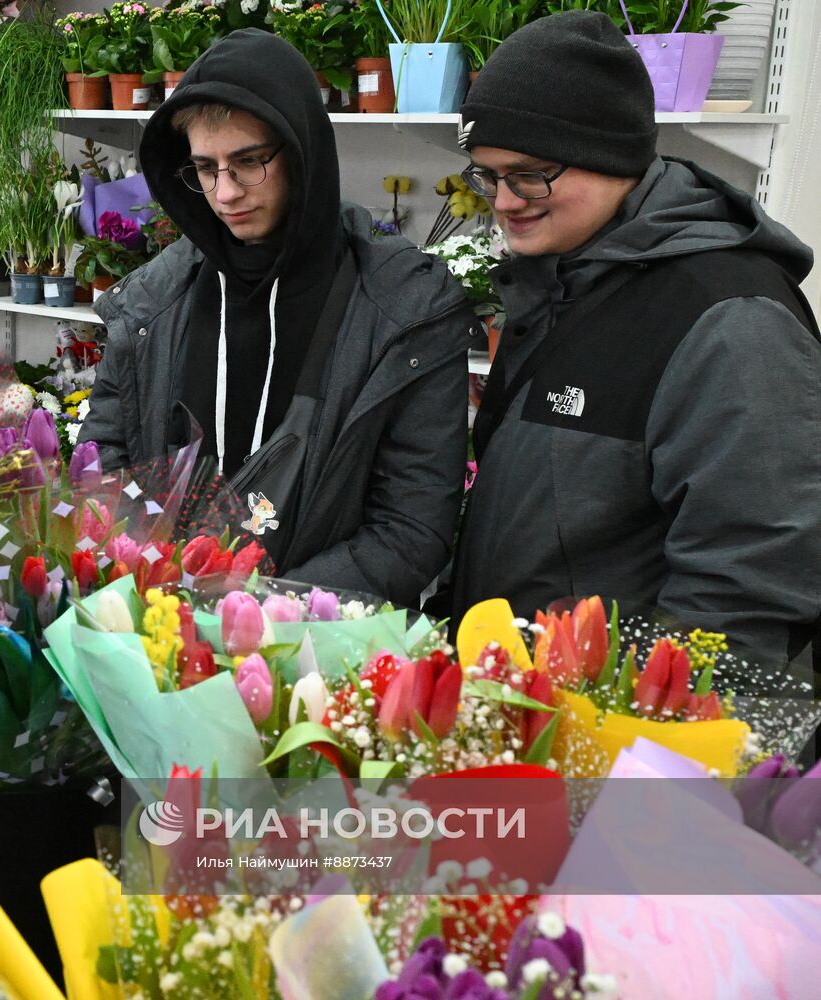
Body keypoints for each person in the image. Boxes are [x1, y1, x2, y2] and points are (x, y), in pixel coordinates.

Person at [449, 11, 821, 667]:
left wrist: (652, 752)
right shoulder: (563, 282)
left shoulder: (731, 320)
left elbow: (750, 601)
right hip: (533, 717)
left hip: (626, 739)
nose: (504, 201)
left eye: (529, 173)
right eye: (487, 175)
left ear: (611, 155)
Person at [79, 28, 481, 607]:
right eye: (205, 169)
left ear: (301, 153)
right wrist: (153, 582)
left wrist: (273, 609)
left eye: (248, 163)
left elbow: (412, 524)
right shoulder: (152, 301)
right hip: (165, 630)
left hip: (322, 651)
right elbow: (104, 463)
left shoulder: (405, 312)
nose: (225, 193)